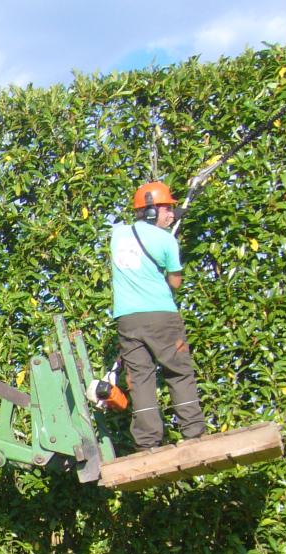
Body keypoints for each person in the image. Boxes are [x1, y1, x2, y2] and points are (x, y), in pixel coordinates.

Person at [109, 180, 206, 451]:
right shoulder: (166, 241)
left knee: (140, 379)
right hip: (162, 316)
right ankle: (193, 431)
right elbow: (175, 281)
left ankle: (147, 441)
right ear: (151, 211)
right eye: (167, 210)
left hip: (128, 319)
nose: (172, 215)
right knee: (178, 372)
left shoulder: (118, 235)